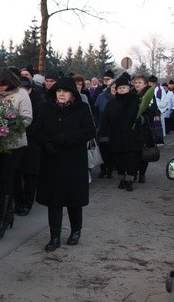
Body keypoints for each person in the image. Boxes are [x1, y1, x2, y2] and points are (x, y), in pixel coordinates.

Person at [35, 77, 96, 252]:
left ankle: (76, 230)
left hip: (73, 160)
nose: (61, 94)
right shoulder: (47, 108)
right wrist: (46, 143)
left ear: (72, 94)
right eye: (58, 91)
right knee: (54, 200)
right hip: (52, 159)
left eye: (65, 91)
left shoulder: (82, 108)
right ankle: (54, 236)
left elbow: (89, 131)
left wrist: (68, 138)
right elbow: (36, 130)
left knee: (73, 199)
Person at [0, 68, 33, 239]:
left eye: (3, 85)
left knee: (6, 178)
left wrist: (9, 125)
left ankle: (3, 218)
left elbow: (27, 118)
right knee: (1, 178)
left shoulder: (21, 93)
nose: (0, 88)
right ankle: (7, 214)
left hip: (15, 144)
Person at [99, 77, 144, 192]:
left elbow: (146, 115)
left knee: (132, 160)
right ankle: (121, 179)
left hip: (132, 136)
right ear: (116, 90)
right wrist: (104, 134)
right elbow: (105, 119)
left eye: (124, 87)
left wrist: (141, 120)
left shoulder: (136, 100)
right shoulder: (112, 103)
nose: (122, 90)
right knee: (120, 160)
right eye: (120, 88)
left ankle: (129, 180)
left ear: (129, 88)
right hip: (117, 136)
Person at [13, 76, 45, 216]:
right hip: (17, 141)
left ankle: (27, 203)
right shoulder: (14, 99)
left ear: (30, 89)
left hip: (32, 143)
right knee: (15, 174)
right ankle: (18, 202)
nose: (23, 91)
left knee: (30, 175)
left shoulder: (39, 103)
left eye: (26, 88)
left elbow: (38, 125)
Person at [94, 80, 116, 179]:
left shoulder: (120, 99)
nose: (115, 89)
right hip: (102, 127)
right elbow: (96, 111)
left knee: (112, 150)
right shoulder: (101, 97)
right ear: (110, 87)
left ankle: (110, 170)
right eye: (113, 87)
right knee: (103, 150)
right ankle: (103, 169)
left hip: (114, 129)